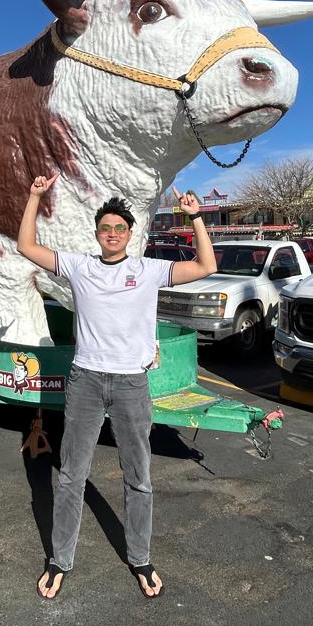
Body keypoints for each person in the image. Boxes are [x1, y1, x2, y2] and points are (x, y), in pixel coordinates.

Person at [17, 174, 218, 601]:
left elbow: (206, 266)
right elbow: (27, 247)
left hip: (131, 384)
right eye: (106, 228)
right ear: (97, 233)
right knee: (71, 476)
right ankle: (59, 560)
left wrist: (196, 218)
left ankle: (140, 559)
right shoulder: (80, 266)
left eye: (120, 228)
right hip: (86, 381)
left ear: (130, 234)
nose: (112, 233)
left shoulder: (148, 270)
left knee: (139, 477)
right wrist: (34, 197)